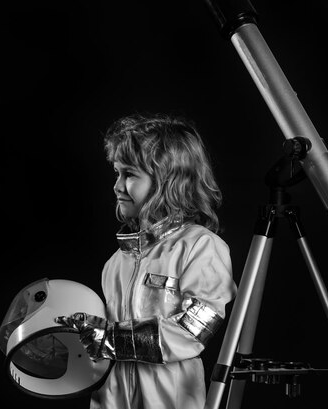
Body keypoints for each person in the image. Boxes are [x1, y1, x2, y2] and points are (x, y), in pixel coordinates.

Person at [59, 112, 237, 409]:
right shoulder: (115, 263)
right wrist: (76, 336)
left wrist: (111, 338)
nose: (117, 186)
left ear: (168, 180)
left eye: (128, 174)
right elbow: (102, 348)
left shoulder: (200, 246)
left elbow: (192, 332)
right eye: (116, 173)